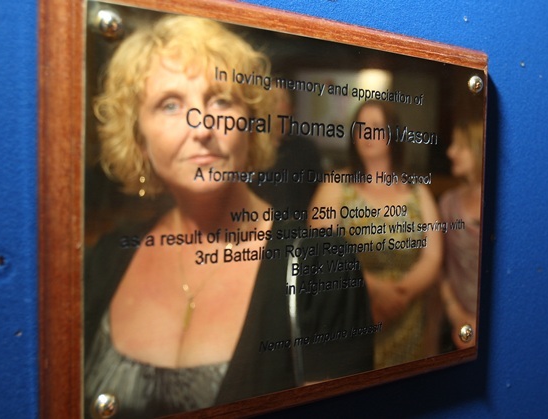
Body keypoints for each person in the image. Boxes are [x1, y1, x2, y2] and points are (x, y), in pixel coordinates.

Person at [84, 16, 373, 417]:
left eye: (220, 100)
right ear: (139, 138)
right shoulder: (108, 257)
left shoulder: (321, 265)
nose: (202, 126)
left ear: (251, 125)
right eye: (170, 104)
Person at [309, 100, 441, 369]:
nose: (367, 133)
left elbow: (433, 256)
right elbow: (321, 251)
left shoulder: (418, 191)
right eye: (361, 127)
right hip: (352, 313)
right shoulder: (335, 186)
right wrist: (377, 291)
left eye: (376, 127)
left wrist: (400, 295)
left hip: (408, 319)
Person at [438, 119, 483, 349]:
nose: (450, 151)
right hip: (455, 326)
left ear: (478, 150)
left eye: (459, 146)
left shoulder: (500, 203)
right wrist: (457, 317)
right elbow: (440, 266)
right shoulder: (448, 203)